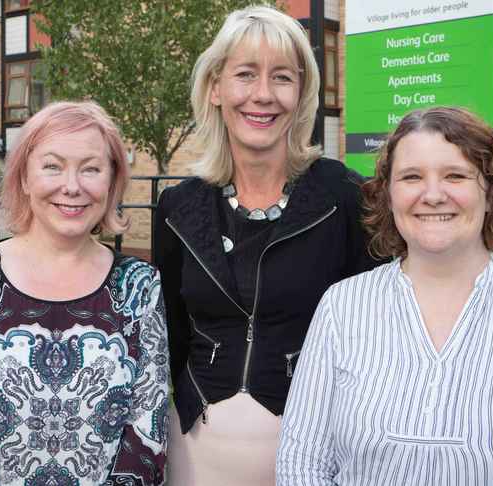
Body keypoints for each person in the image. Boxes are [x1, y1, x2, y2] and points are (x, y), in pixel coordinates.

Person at [276, 106, 493, 485]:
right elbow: (302, 465)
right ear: (388, 194)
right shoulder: (342, 307)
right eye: (412, 176)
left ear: (492, 191)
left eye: (455, 175)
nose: (433, 195)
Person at [153, 5, 377, 485]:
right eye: (245, 75)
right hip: (196, 464)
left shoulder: (343, 198)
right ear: (215, 88)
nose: (263, 95)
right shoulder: (178, 208)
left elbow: (375, 341)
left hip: (315, 464)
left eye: (281, 77)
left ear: (300, 94)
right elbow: (168, 342)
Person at [0, 101, 169, 485]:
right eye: (52, 166)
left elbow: (147, 430)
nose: (71, 186)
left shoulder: (138, 286)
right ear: (24, 177)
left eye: (91, 168)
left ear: (112, 182)